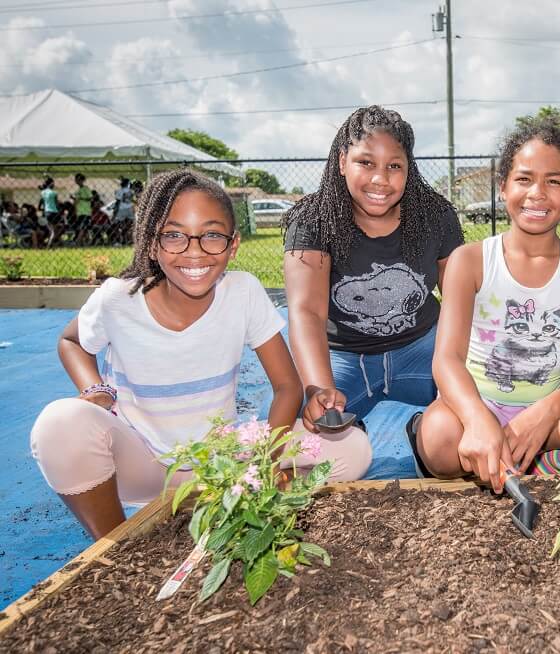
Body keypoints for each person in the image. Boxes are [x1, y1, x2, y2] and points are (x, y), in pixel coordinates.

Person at [30, 169, 371, 540]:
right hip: (143, 465)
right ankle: (116, 546)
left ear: (233, 244)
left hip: (221, 462)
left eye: (211, 235)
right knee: (60, 423)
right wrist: (95, 389)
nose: (194, 251)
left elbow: (288, 387)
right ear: (150, 243)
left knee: (351, 448)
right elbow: (72, 342)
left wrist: (266, 461)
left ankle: (237, 501)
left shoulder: (242, 293)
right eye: (174, 235)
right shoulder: (118, 298)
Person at [412, 118, 560, 493]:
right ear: (503, 186)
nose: (537, 193)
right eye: (524, 179)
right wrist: (477, 419)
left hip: (552, 414)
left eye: (554, 181)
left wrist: (545, 413)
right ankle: (516, 454)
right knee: (439, 440)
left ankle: (527, 455)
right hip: (475, 405)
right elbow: (447, 360)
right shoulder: (470, 260)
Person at [282, 105, 463, 437]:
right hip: (346, 356)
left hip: (423, 348)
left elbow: (460, 300)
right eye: (366, 163)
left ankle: (421, 432)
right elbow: (306, 311)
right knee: (308, 436)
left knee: (478, 412)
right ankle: (352, 431)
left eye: (394, 166)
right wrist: (319, 390)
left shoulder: (436, 216)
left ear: (409, 169)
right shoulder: (313, 219)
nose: (380, 179)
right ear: (341, 162)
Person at [73, 173, 94, 245]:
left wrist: (81, 198)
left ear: (82, 180)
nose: (77, 181)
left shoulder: (86, 188)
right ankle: (83, 242)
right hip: (80, 212)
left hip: (86, 212)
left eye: (78, 179)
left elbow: (91, 198)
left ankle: (78, 242)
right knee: (82, 228)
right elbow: (76, 201)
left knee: (83, 228)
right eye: (76, 179)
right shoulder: (77, 190)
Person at [112, 177, 135, 245]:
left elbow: (118, 202)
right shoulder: (131, 191)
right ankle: (129, 240)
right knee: (130, 226)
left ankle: (120, 240)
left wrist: (115, 212)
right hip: (130, 209)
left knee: (118, 225)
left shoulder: (119, 191)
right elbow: (132, 200)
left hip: (122, 210)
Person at [38, 176, 58, 247]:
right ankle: (49, 245)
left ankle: (50, 243)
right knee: (53, 231)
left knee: (50, 229)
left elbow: (42, 202)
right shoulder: (54, 193)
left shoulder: (42, 192)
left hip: (46, 212)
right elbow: (56, 204)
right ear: (51, 183)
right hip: (54, 212)